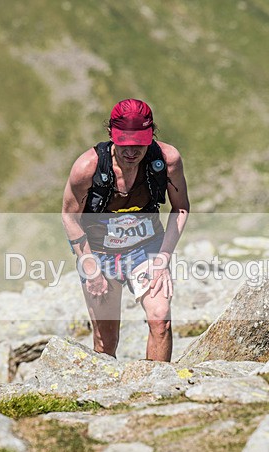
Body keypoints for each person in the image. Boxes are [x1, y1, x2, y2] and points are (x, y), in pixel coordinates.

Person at [62, 98, 190, 362]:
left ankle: (156, 392)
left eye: (139, 144)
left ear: (151, 135)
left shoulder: (167, 160)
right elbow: (69, 217)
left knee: (161, 319)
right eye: (124, 143)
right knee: (105, 342)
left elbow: (180, 209)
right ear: (111, 134)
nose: (131, 151)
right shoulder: (87, 168)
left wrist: (162, 260)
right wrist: (89, 266)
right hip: (98, 253)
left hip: (146, 249)